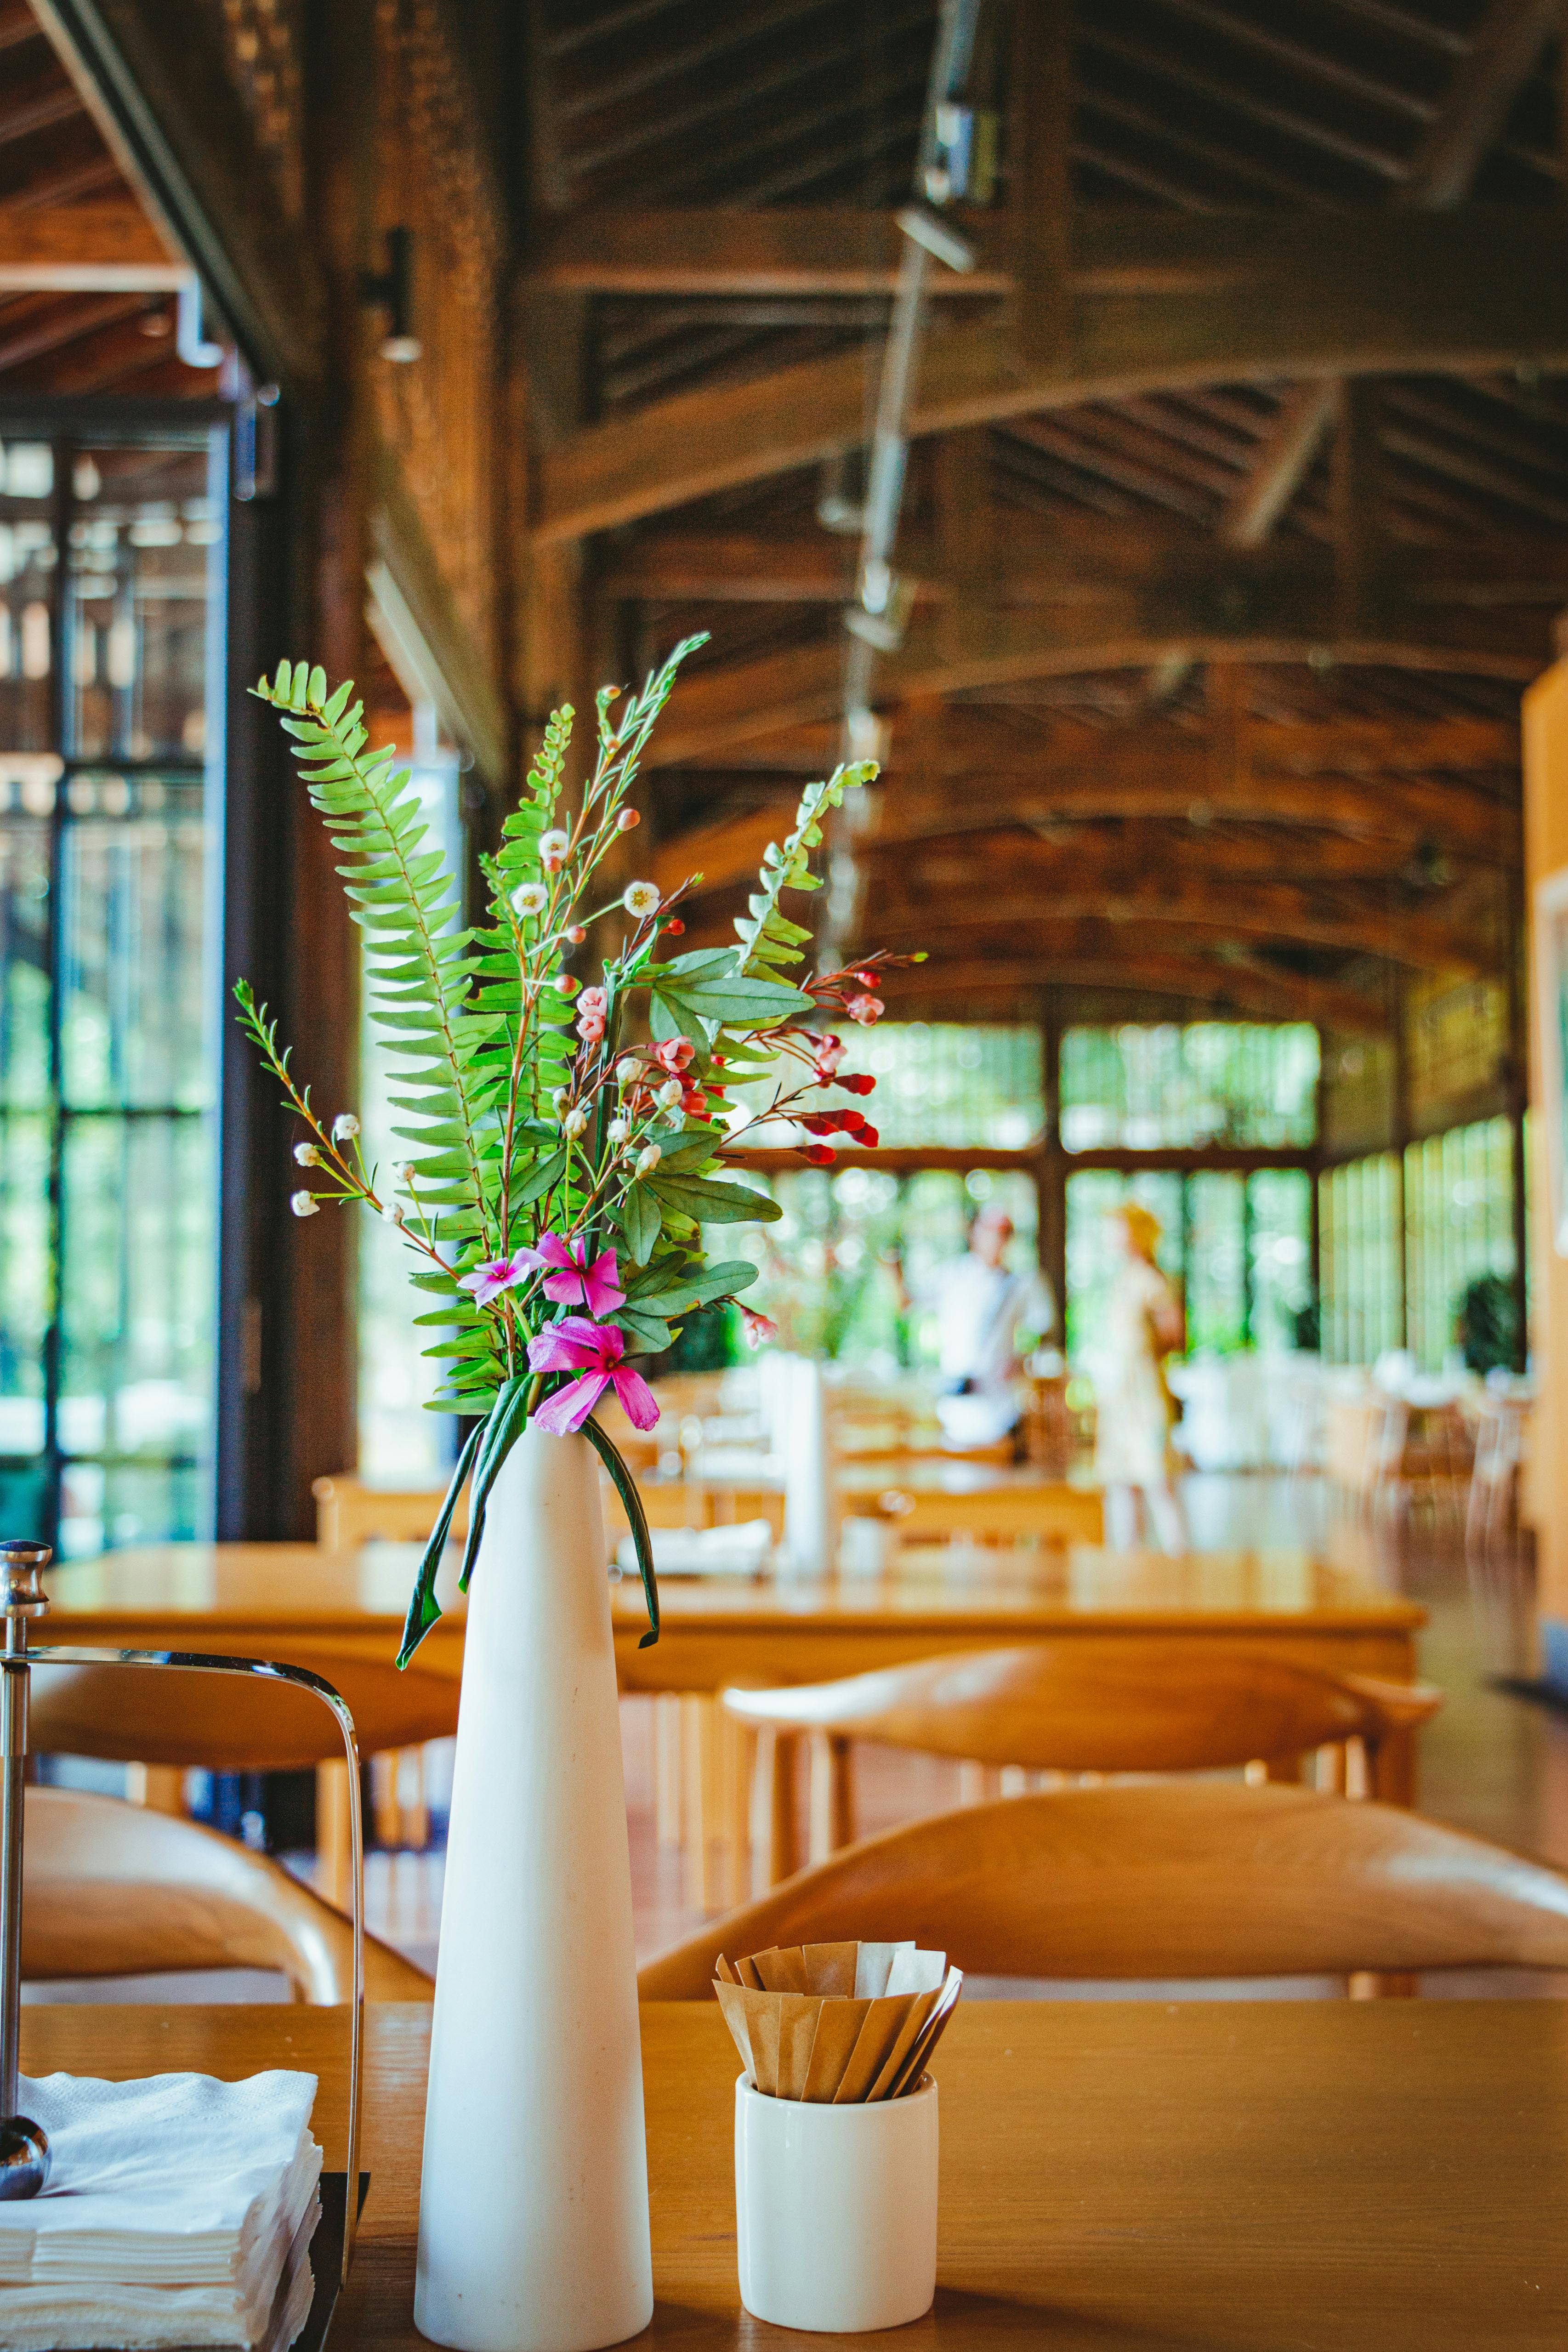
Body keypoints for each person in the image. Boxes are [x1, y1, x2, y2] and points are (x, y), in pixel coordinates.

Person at [894, 1205, 1056, 1448]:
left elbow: (1044, 1328)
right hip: (956, 1402)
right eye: (990, 1232)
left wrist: (1023, 1360)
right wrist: (893, 1271)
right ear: (974, 1234)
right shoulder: (951, 1275)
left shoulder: (1023, 1283)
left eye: (1002, 1235)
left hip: (1000, 1404)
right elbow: (908, 1304)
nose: (996, 1241)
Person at [1094, 1203, 1187, 1553]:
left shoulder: (1151, 1280)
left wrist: (1144, 1357)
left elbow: (1173, 1333)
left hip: (1143, 1395)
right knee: (1120, 1481)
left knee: (1158, 1478)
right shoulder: (1123, 1279)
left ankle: (1179, 1558)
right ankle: (1128, 1558)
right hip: (1119, 1396)